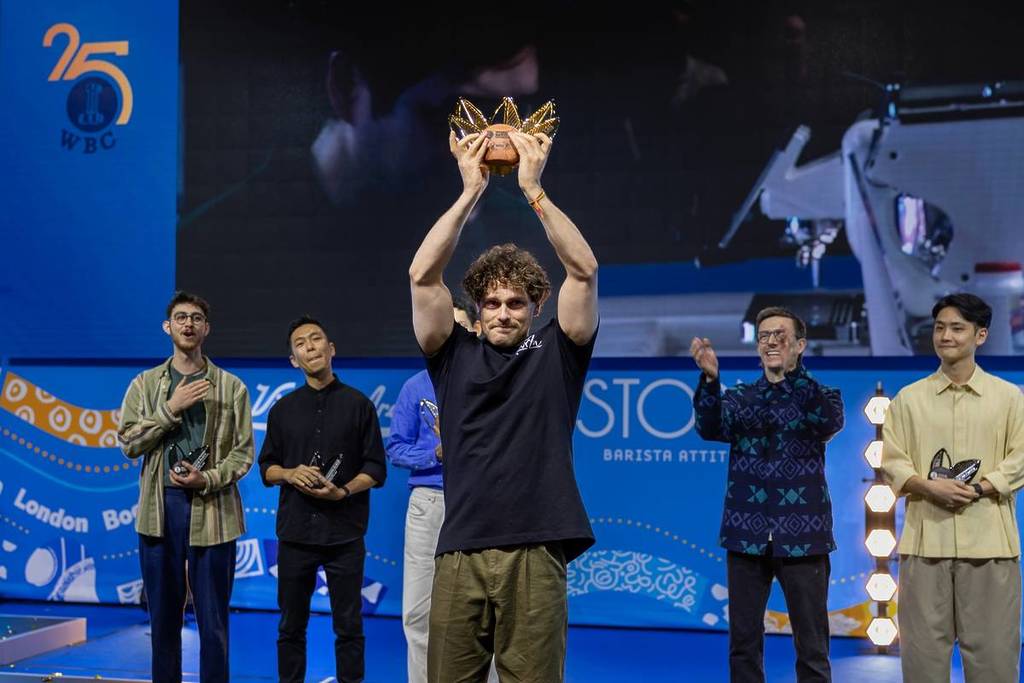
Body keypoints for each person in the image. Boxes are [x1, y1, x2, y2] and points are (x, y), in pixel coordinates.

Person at [408, 128, 599, 682]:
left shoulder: (558, 352)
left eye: (516, 302)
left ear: (536, 306)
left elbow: (583, 271)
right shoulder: (451, 353)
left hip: (536, 552)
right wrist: (470, 191)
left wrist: (532, 190)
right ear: (475, 306)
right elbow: (422, 275)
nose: (503, 312)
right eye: (490, 302)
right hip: (461, 550)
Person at [690, 306, 844, 683]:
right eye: (764, 336)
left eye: (780, 335)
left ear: (800, 345)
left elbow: (827, 421)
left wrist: (792, 376)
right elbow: (710, 428)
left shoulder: (820, 395)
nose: (771, 341)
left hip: (804, 537)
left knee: (812, 644)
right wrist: (710, 381)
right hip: (747, 537)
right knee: (743, 641)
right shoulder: (741, 397)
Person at [881, 293, 1024, 683]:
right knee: (922, 659)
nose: (945, 336)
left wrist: (979, 489)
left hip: (991, 547)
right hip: (925, 546)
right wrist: (926, 487)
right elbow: (892, 461)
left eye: (957, 328)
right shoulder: (908, 400)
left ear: (980, 336)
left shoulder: (1011, 399)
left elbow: (1020, 458)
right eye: (940, 327)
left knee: (995, 658)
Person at [117, 291, 254, 683]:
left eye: (196, 318)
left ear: (206, 329)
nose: (188, 324)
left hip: (213, 510)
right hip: (160, 511)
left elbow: (242, 454)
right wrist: (170, 408)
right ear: (168, 327)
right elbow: (129, 442)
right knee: (163, 622)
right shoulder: (145, 385)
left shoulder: (232, 387)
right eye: (180, 318)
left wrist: (206, 478)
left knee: (214, 624)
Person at [258, 316, 387, 683]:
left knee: (349, 626)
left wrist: (343, 491)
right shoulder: (282, 410)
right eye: (301, 343)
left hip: (345, 535)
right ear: (293, 360)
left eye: (317, 339)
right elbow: (266, 467)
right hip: (295, 535)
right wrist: (289, 473)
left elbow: (376, 468)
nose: (310, 346)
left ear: (331, 349)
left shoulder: (359, 405)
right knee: (290, 627)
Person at [386, 300, 500, 683]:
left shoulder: (499, 381)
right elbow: (396, 448)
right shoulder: (416, 387)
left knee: (494, 609)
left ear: (477, 330)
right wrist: (434, 451)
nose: (449, 335)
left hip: (485, 502)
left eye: (460, 328)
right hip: (431, 501)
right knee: (419, 612)